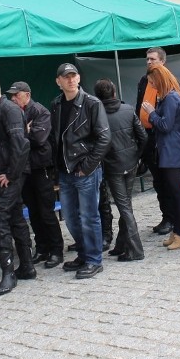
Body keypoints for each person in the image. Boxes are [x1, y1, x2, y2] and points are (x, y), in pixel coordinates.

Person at [51, 63, 111, 278]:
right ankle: (85, 254)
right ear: (58, 81)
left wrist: (87, 167)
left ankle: (94, 260)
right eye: (65, 77)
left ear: (78, 78)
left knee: (88, 216)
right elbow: (57, 139)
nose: (70, 80)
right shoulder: (56, 104)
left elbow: (104, 138)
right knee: (70, 216)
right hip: (65, 171)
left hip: (85, 170)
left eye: (73, 76)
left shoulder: (91, 103)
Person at [0, 74, 35, 294]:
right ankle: (27, 266)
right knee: (16, 218)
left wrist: (10, 173)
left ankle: (8, 272)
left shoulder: (8, 110)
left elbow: (21, 145)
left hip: (10, 176)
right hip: (3, 174)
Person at [6, 81, 65, 269]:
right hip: (25, 169)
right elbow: (10, 140)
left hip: (41, 167)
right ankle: (41, 247)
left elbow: (38, 139)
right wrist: (25, 132)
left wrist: (22, 133)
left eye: (16, 95)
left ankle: (56, 250)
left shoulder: (40, 111)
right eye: (12, 95)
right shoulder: (13, 113)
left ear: (27, 95)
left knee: (46, 211)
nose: (13, 98)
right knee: (33, 211)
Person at [94, 78, 148, 261]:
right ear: (114, 93)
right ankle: (121, 244)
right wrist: (137, 155)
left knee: (125, 208)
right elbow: (143, 136)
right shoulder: (128, 109)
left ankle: (136, 251)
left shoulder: (96, 114)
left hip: (113, 166)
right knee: (127, 205)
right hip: (130, 163)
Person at [141, 65, 180, 249]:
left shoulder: (170, 98)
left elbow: (165, 125)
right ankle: (177, 231)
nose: (151, 85)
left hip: (171, 149)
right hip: (170, 148)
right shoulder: (170, 96)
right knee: (173, 191)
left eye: (152, 82)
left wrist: (151, 113)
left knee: (177, 192)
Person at [135, 47, 175, 236]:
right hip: (147, 137)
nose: (149, 62)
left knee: (167, 180)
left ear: (163, 62)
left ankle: (173, 218)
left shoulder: (170, 83)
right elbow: (138, 106)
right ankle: (166, 215)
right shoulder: (144, 80)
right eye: (147, 59)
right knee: (157, 181)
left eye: (153, 59)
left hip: (163, 137)